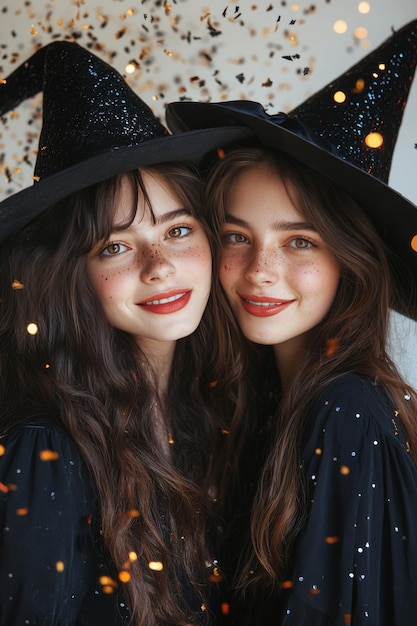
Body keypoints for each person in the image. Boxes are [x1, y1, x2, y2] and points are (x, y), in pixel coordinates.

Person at [166, 20, 417, 625]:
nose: (261, 272)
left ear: (348, 261)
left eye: (300, 241)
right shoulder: (247, 404)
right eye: (235, 237)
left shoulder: (348, 412)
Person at [0, 42, 251, 626]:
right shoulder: (45, 454)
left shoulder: (209, 415)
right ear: (70, 276)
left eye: (179, 231)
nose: (159, 266)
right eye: (115, 246)